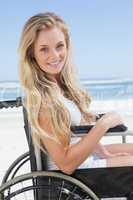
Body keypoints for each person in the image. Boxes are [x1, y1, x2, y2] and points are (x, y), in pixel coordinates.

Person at [19, 12, 133, 175]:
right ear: (32, 53)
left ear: (67, 45)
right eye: (44, 49)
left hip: (85, 158)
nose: (55, 55)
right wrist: (104, 124)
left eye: (59, 46)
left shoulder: (58, 86)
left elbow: (76, 134)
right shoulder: (44, 99)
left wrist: (104, 153)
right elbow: (66, 164)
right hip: (76, 172)